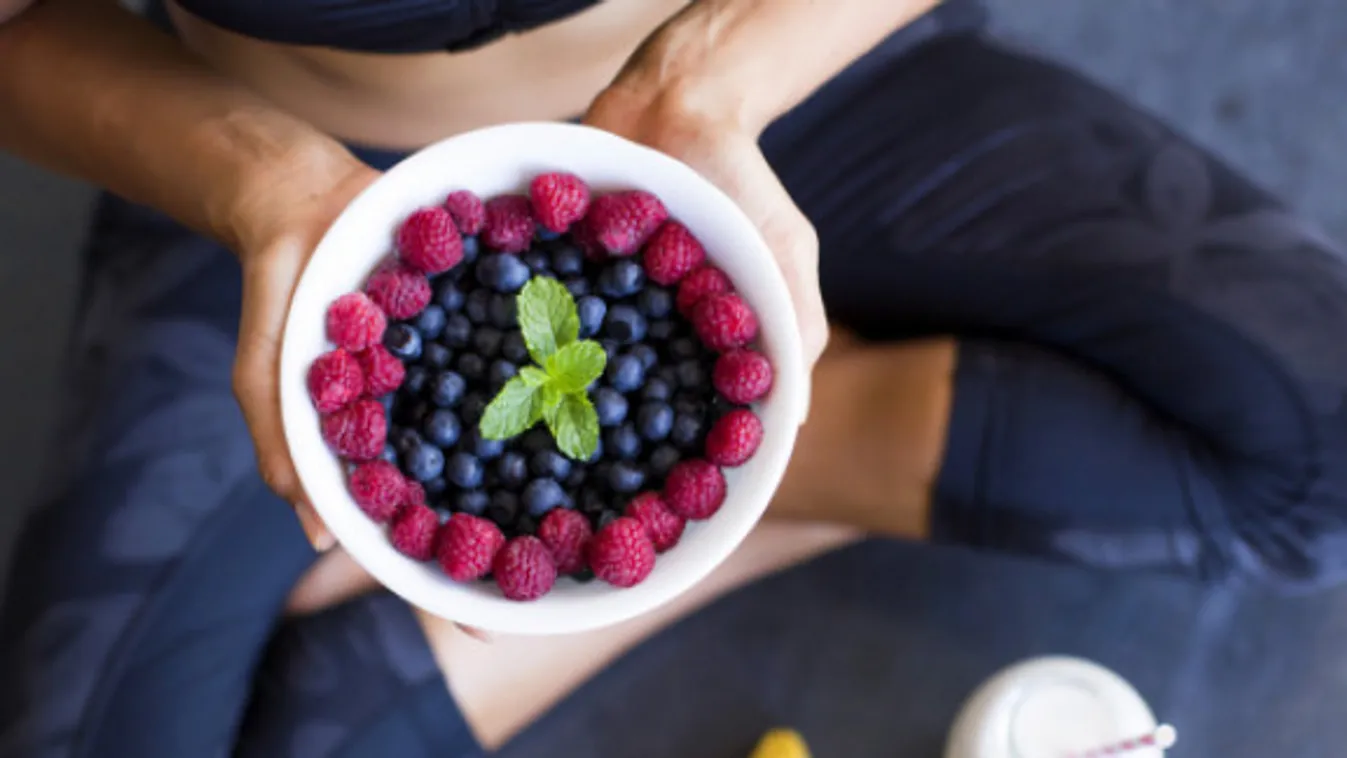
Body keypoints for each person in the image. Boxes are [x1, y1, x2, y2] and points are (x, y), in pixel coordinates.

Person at [2, 0, 1346, 755]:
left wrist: (712, 78)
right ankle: (731, 464)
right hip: (292, 181)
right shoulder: (282, 188)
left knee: (1323, 453)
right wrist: (260, 178)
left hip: (776, 70)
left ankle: (753, 472)